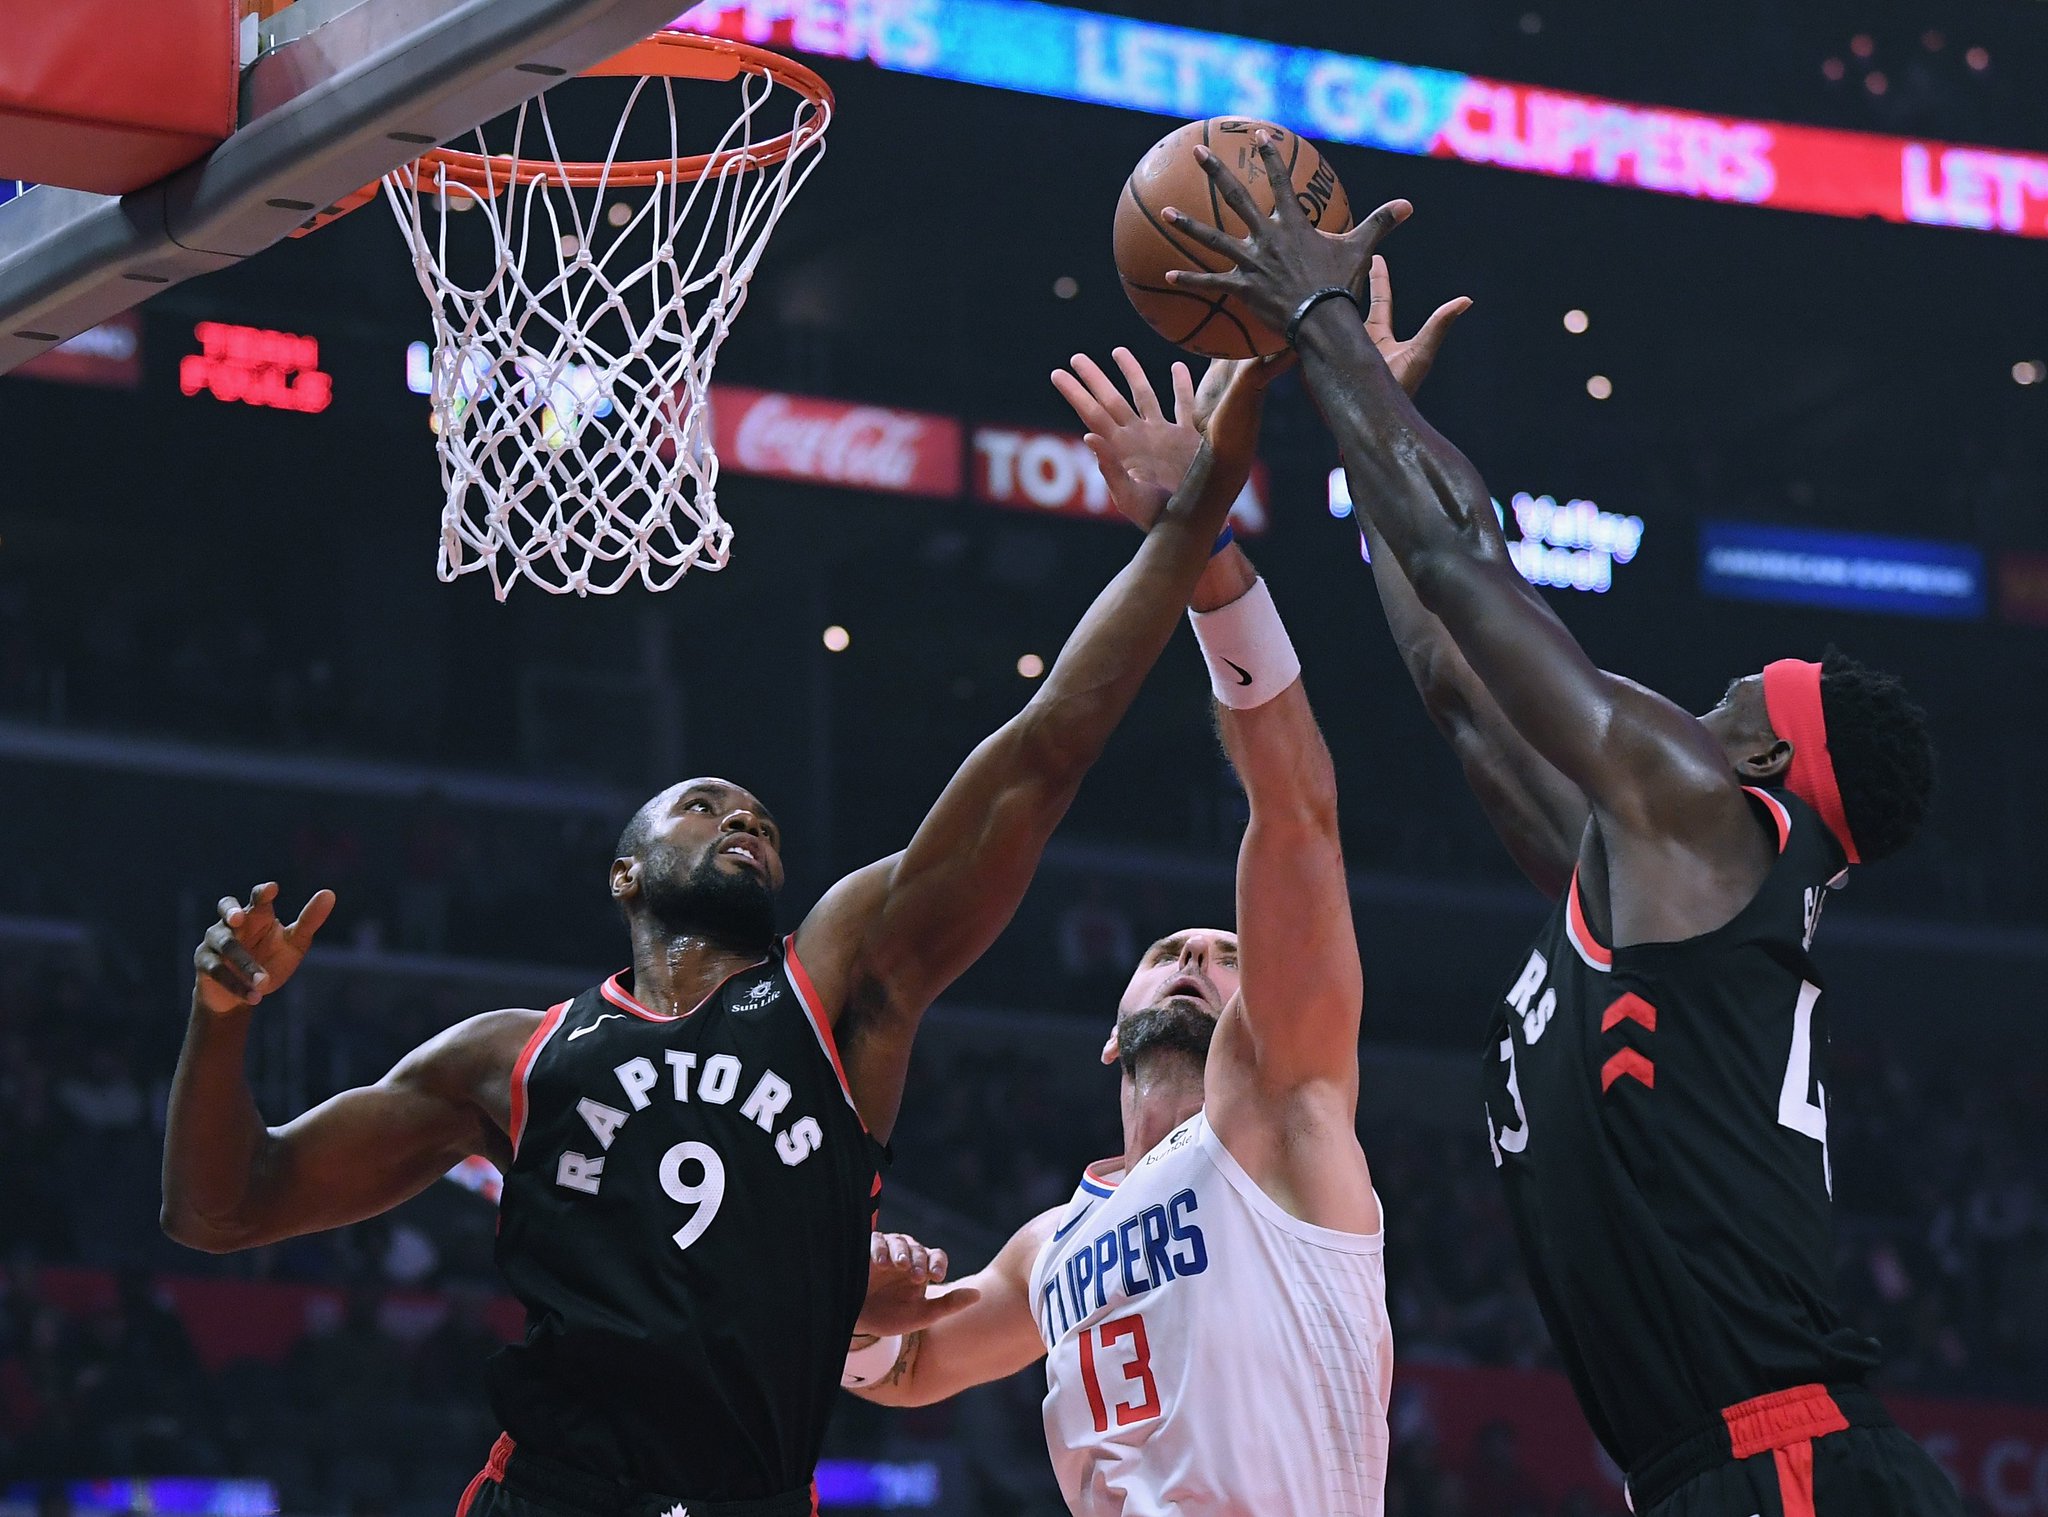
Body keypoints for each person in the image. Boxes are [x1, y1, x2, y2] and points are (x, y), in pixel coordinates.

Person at [158, 361, 1268, 1517]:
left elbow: (1040, 756)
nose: (741, 817)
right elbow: (220, 1206)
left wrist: (1189, 524)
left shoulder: (839, 980)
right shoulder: (510, 1057)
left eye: (761, 819)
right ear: (625, 869)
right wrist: (222, 1017)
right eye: (703, 803)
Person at [1163, 133, 1952, 1517]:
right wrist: (1367, 436)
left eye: (1717, 697)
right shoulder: (1661, 899)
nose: (1686, 710)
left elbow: (1471, 569)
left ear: (1766, 756)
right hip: (1734, 1466)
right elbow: (1462, 696)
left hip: (1782, 1463)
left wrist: (1323, 320)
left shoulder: (1713, 822)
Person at [841, 303, 1455, 1517]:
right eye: (1170, 950)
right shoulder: (1051, 1245)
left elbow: (1292, 809)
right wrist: (861, 1316)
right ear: (1108, 1028)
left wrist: (1204, 547)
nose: (1190, 951)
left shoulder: (1279, 1104)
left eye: (1223, 954)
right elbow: (908, 1366)